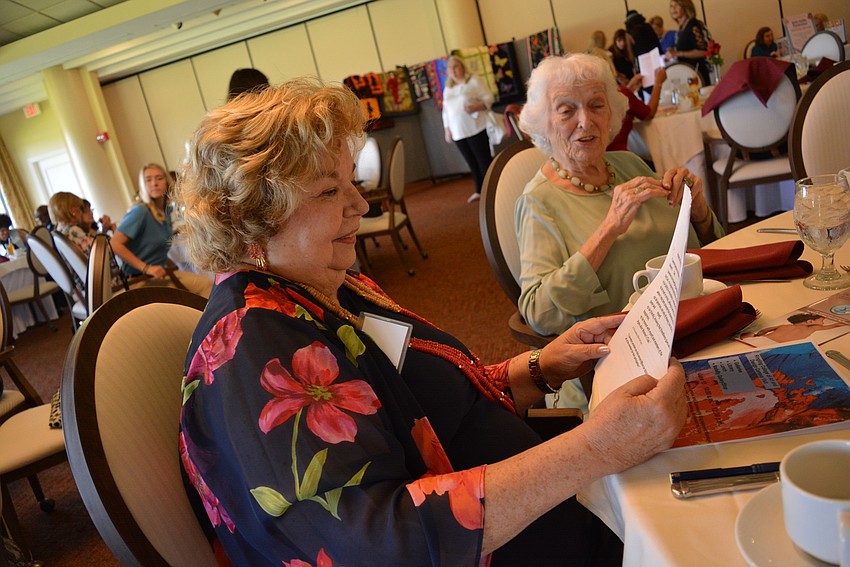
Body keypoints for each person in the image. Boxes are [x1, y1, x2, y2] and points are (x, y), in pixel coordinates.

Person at [176, 77, 688, 566]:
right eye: (329, 192)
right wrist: (594, 449)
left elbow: (433, 406)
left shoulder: (322, 284)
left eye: (351, 181)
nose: (359, 204)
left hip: (547, 513)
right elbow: (380, 545)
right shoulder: (255, 348)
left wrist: (540, 367)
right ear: (254, 221)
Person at [516, 53, 724, 336]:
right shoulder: (537, 203)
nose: (586, 122)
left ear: (611, 114)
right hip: (623, 351)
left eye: (596, 105)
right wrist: (610, 228)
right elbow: (539, 315)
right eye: (567, 111)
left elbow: (715, 255)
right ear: (544, 123)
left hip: (699, 322)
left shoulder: (629, 164)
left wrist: (698, 210)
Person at [110, 163, 212, 297]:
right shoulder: (140, 212)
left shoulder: (165, 211)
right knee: (206, 286)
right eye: (148, 180)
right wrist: (147, 268)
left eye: (159, 178)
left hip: (156, 276)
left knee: (207, 284)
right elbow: (114, 244)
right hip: (139, 280)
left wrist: (166, 262)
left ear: (167, 182)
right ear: (143, 185)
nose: (154, 183)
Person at [441, 55, 495, 203]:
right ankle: (479, 190)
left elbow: (489, 98)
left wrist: (476, 106)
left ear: (462, 67)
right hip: (458, 132)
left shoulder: (474, 81)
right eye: (450, 68)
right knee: (471, 162)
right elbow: (445, 111)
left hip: (476, 127)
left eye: (456, 66)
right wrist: (447, 129)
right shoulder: (448, 88)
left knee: (483, 159)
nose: (453, 70)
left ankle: (492, 189)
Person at [607, 65, 668, 152]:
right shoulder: (622, 93)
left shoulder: (601, 97)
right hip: (619, 155)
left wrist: (629, 88)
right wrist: (658, 82)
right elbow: (649, 114)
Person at [666, 0, 712, 85]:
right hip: (689, 74)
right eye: (671, 6)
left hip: (698, 74)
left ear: (685, 6)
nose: (673, 9)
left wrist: (677, 53)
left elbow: (703, 51)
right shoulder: (682, 27)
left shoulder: (693, 25)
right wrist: (673, 52)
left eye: (677, 5)